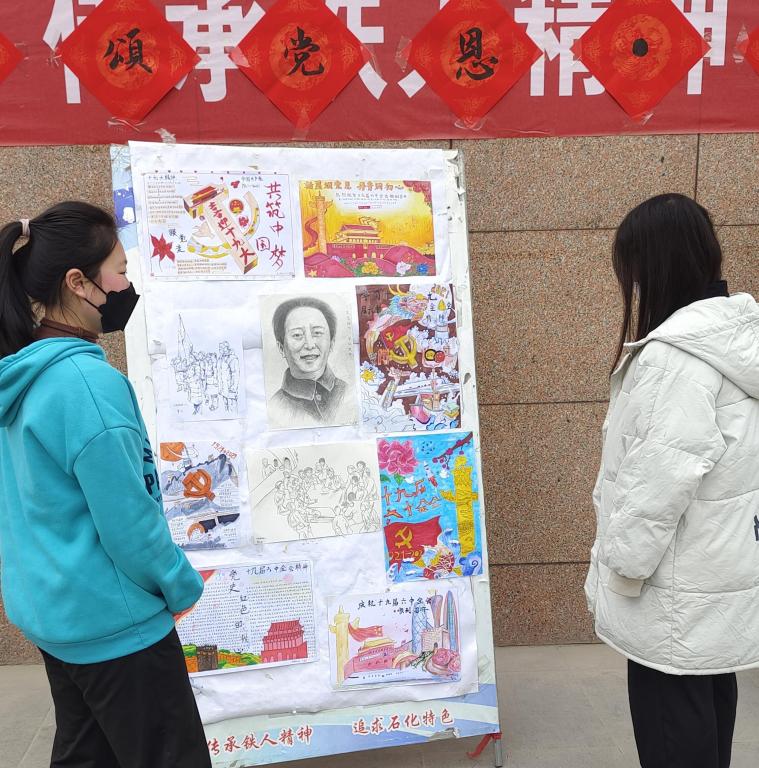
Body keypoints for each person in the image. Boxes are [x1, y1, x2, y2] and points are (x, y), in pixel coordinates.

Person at [0, 202, 211, 768]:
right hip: (116, 626)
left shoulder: (19, 377)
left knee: (87, 755)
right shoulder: (86, 384)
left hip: (57, 616)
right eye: (119, 270)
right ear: (79, 282)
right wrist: (178, 584)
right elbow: (129, 522)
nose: (126, 285)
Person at [584, 193, 759, 768]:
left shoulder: (676, 358)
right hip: (717, 579)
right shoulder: (737, 341)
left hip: (671, 592)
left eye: (633, 270)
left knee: (672, 730)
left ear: (654, 266)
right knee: (708, 705)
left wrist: (622, 569)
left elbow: (658, 480)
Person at [269, 296, 348, 425]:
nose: (310, 345)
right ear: (281, 348)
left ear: (332, 343)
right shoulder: (274, 408)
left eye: (317, 333)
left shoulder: (349, 393)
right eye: (297, 335)